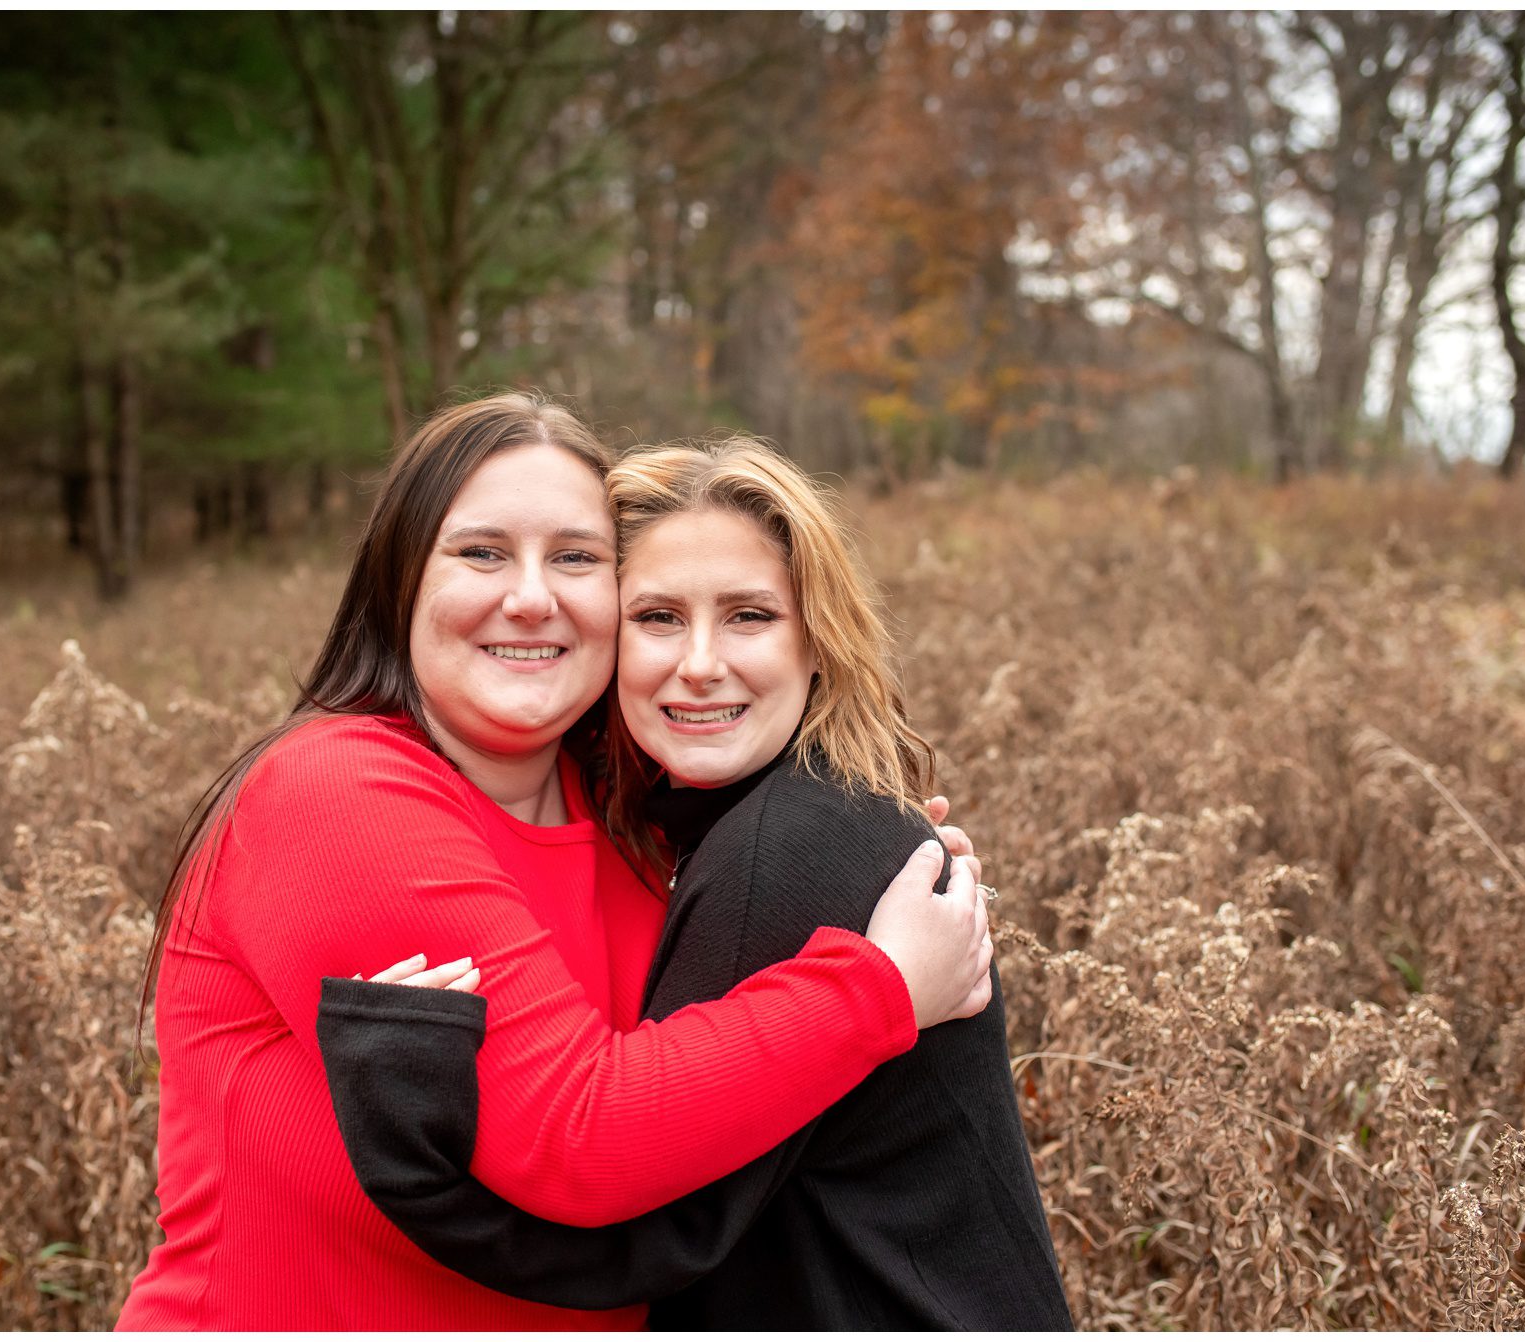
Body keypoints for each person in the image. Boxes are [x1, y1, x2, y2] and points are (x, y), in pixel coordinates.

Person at [116, 396, 995, 1330]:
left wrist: (862, 855)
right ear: (401, 579)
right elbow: (575, 1138)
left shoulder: (639, 831)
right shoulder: (330, 792)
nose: (533, 597)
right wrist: (884, 987)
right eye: (482, 552)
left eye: (576, 558)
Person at [317, 438, 1072, 1329]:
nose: (701, 662)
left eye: (750, 616)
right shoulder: (800, 814)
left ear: (820, 641)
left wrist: (402, 1114)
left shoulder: (783, 847)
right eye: (659, 618)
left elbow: (631, 1235)